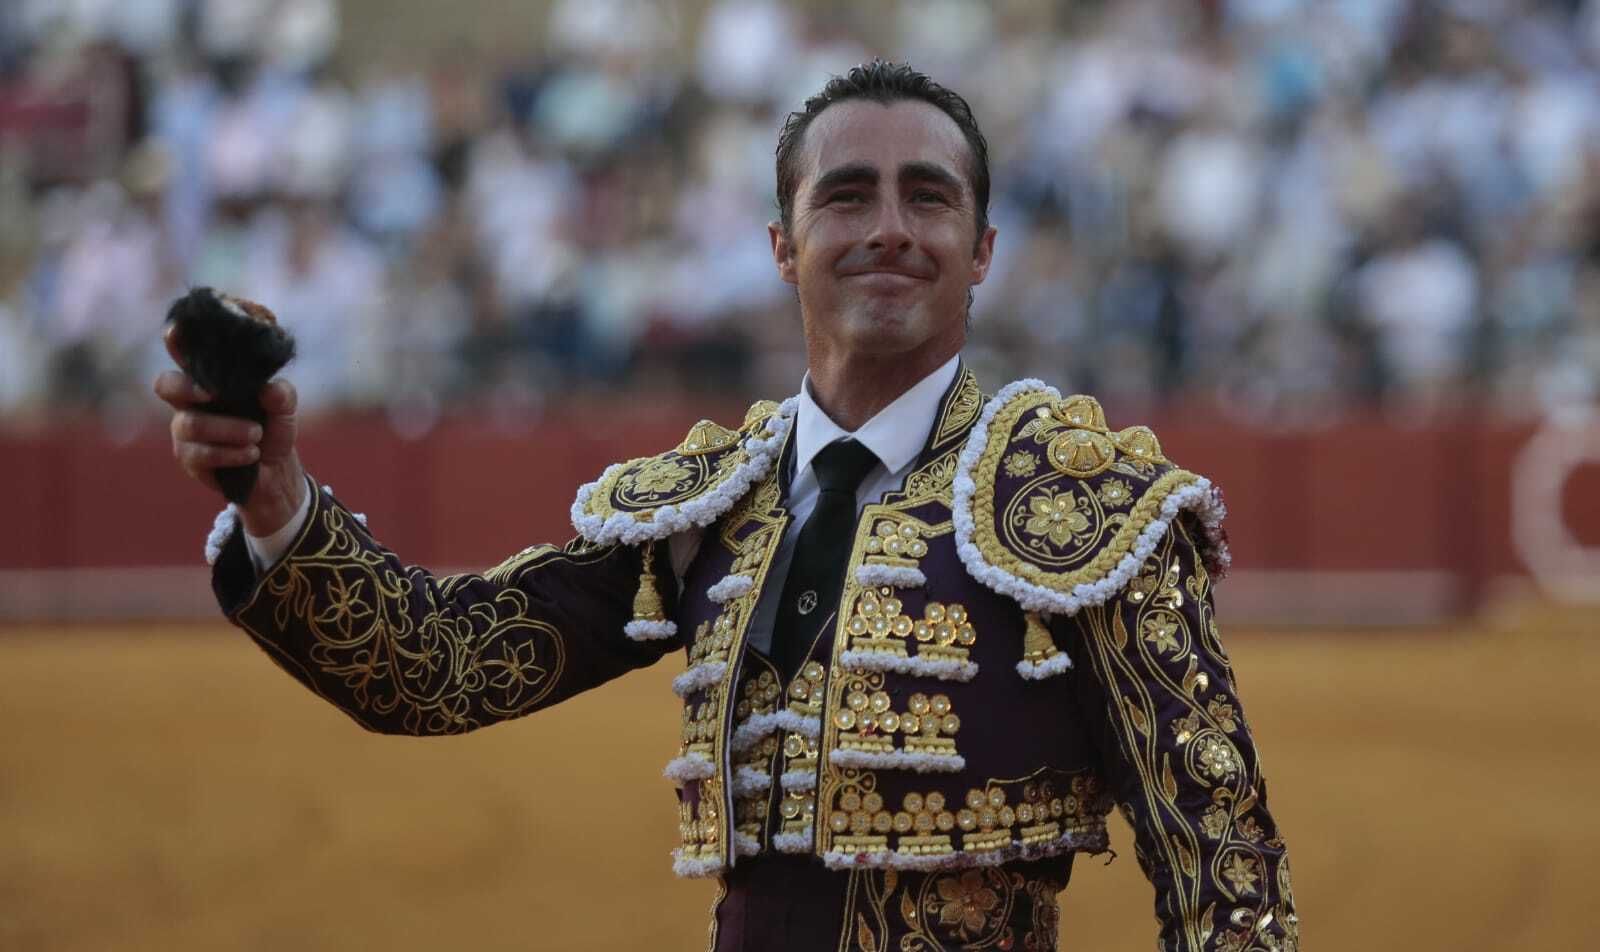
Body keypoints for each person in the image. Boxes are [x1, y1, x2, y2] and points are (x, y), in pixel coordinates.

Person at [155, 61, 1297, 952]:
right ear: (781, 247)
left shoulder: (1090, 510)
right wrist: (275, 499)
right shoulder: (712, 505)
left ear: (982, 250)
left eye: (928, 198)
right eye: (846, 196)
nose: (889, 227)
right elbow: (433, 665)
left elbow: (1222, 869)